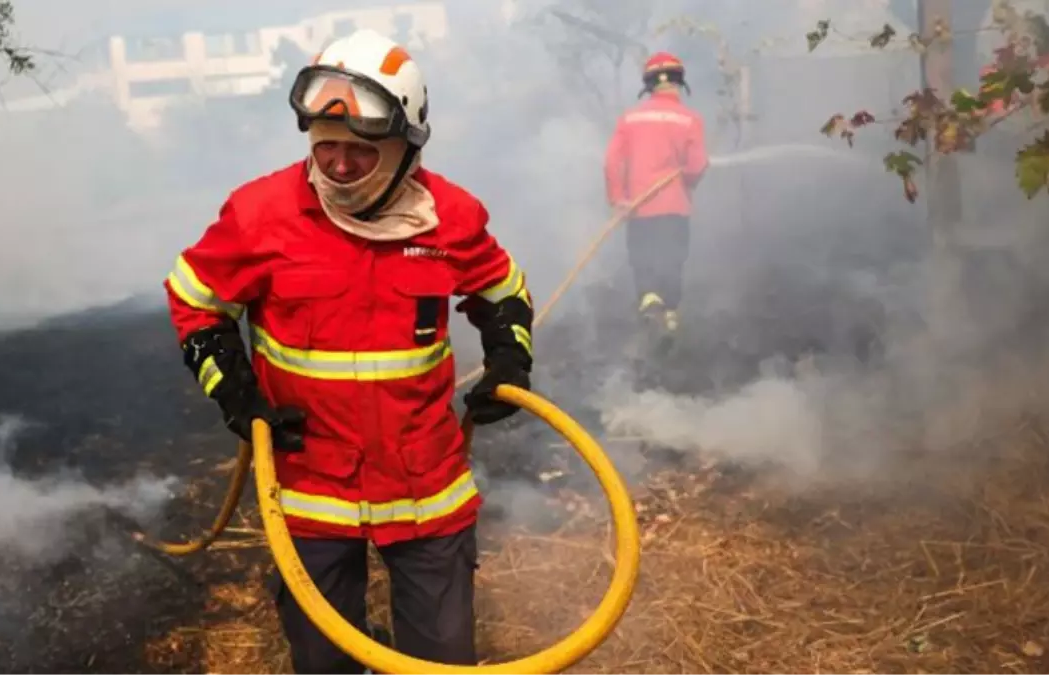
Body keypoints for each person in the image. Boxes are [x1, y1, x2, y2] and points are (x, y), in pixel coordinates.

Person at [162, 29, 535, 675]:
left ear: (405, 142)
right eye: (324, 146)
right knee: (325, 662)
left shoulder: (451, 216)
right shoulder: (260, 214)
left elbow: (503, 291)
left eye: (359, 151)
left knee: (442, 662)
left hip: (428, 489)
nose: (336, 165)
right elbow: (196, 301)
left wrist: (509, 355)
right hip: (309, 489)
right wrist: (234, 390)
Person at [603, 51, 708, 339]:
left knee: (643, 258)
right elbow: (696, 165)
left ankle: (649, 300)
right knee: (673, 259)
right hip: (674, 207)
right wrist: (687, 181)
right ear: (679, 82)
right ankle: (671, 317)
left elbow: (613, 161)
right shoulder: (690, 119)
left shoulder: (630, 118)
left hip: (638, 208)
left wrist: (618, 199)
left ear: (648, 85)